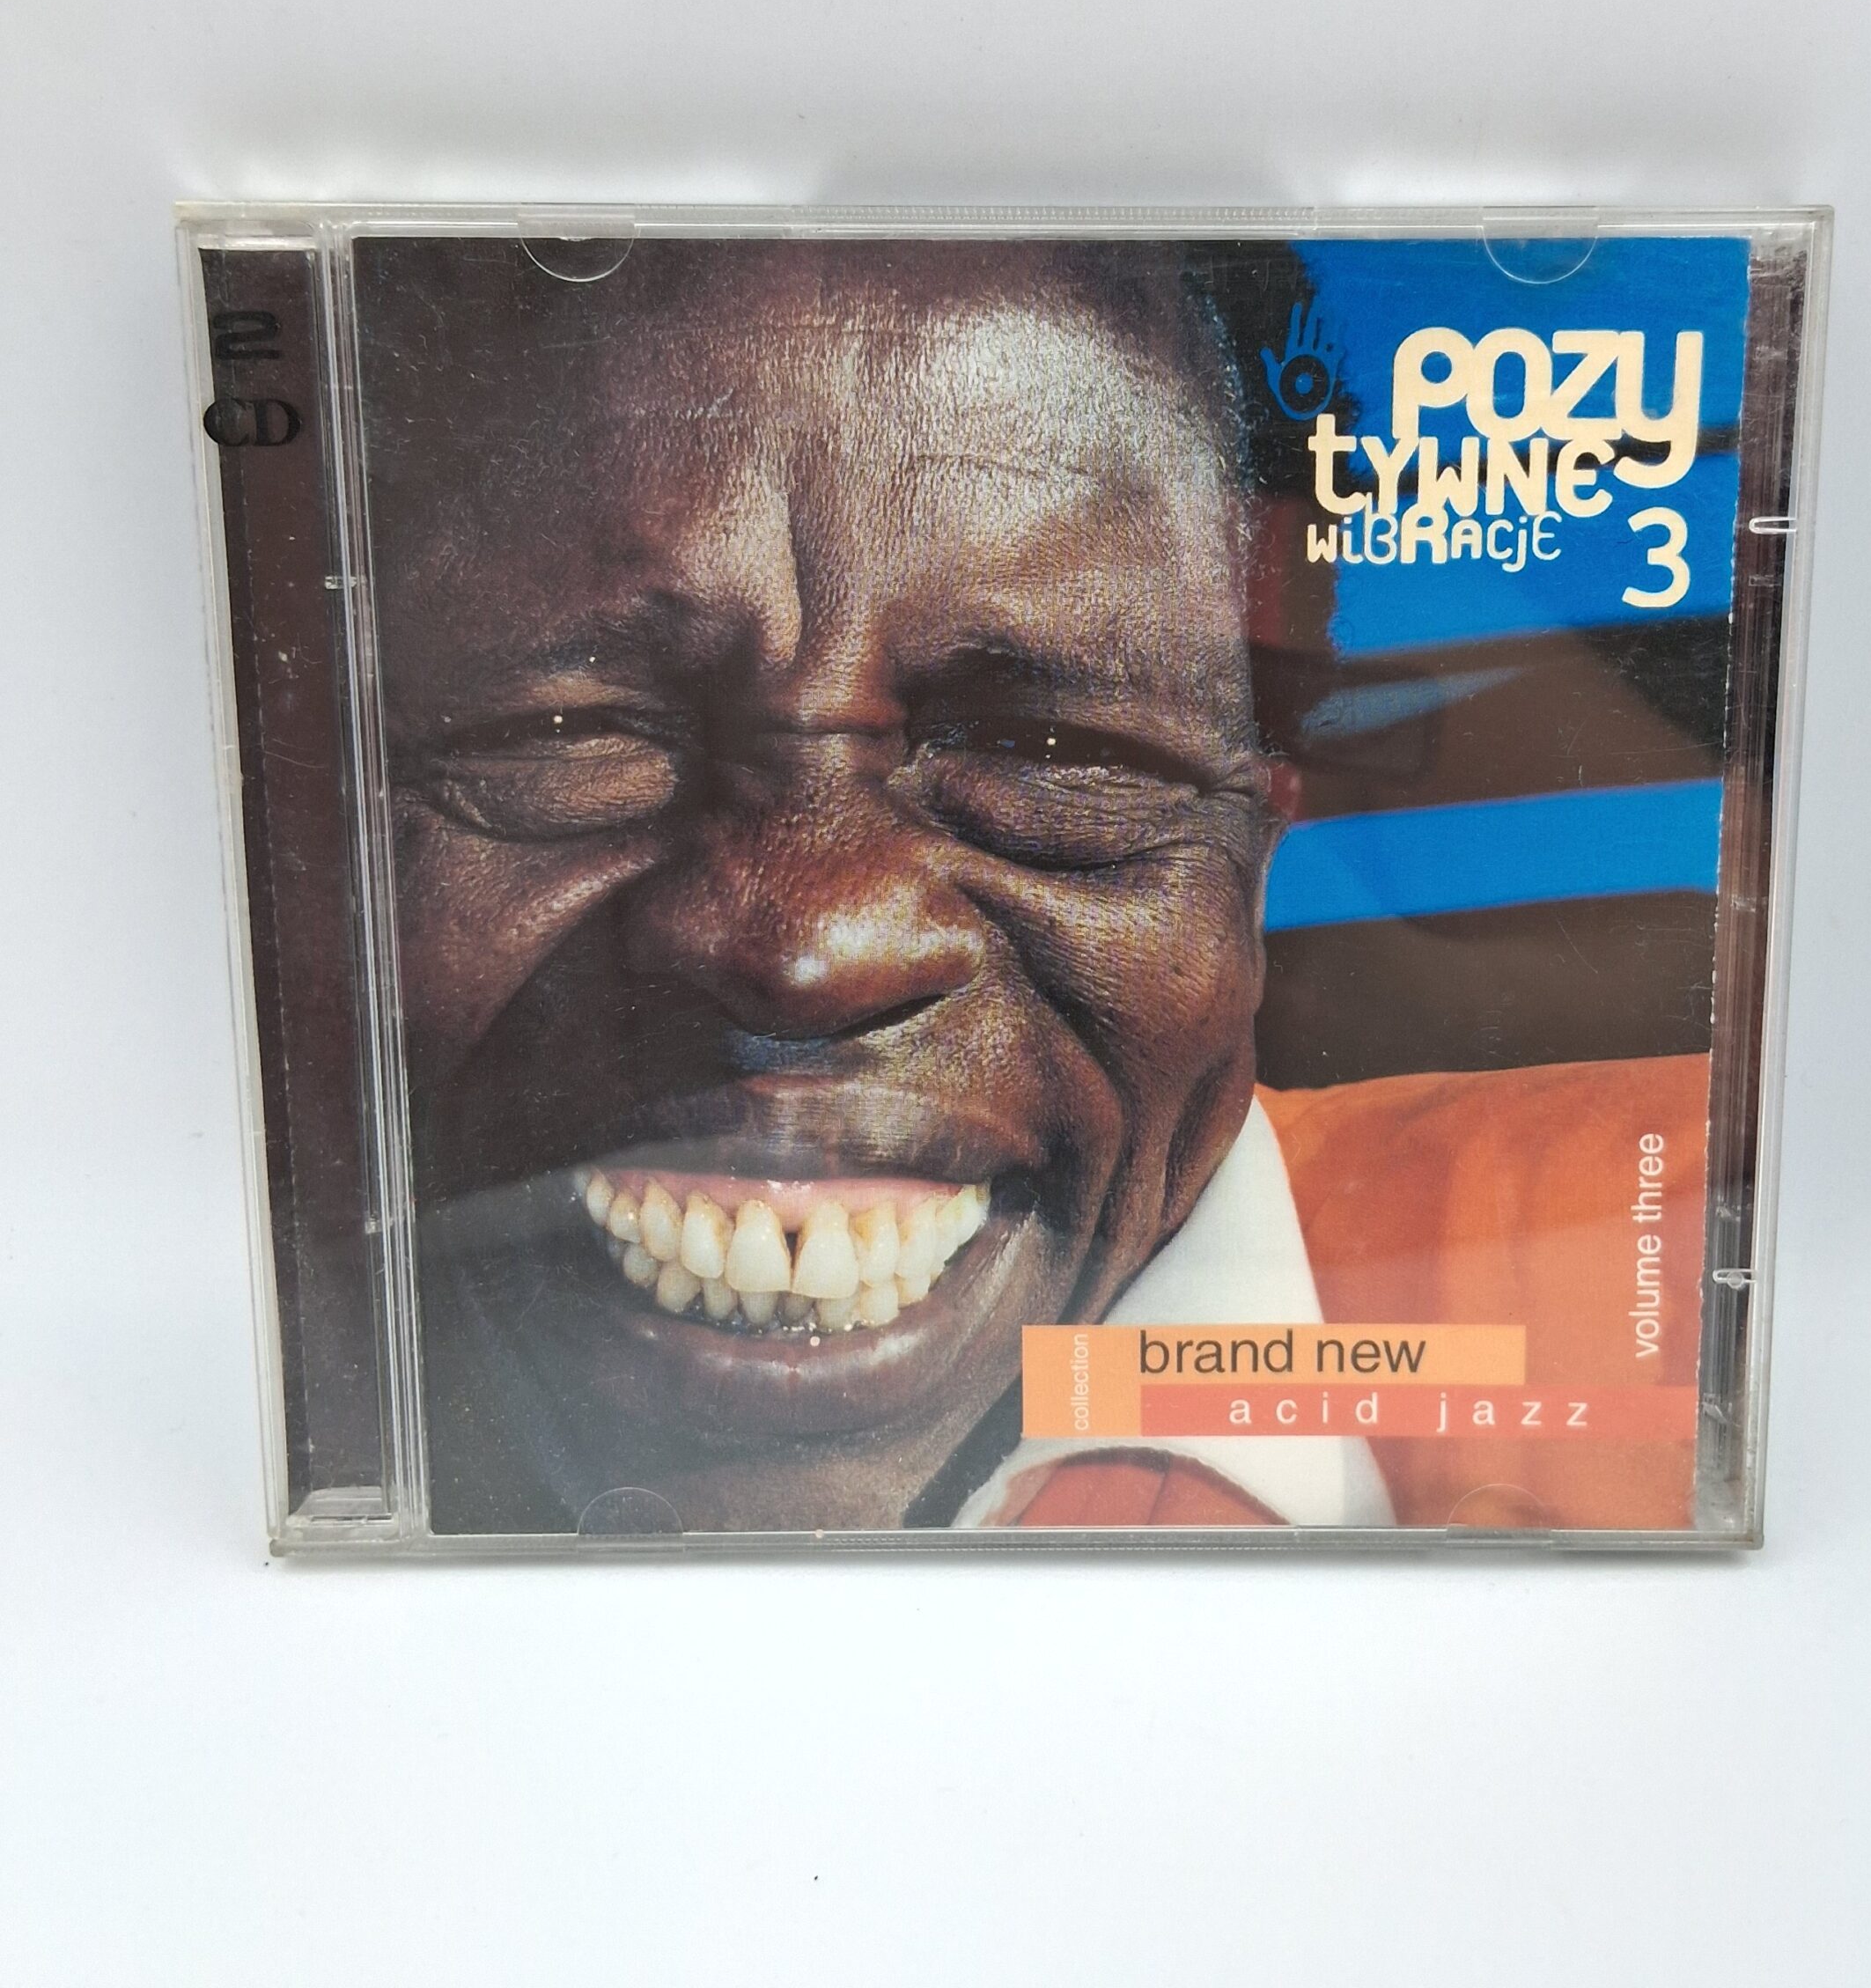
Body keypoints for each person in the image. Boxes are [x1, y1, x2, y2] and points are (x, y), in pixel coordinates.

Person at [357, 236, 1704, 1535]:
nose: (807, 947)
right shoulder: (293, 1385)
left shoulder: (1683, 1294)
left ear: (1268, 819)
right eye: (567, 738)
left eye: (1049, 754)